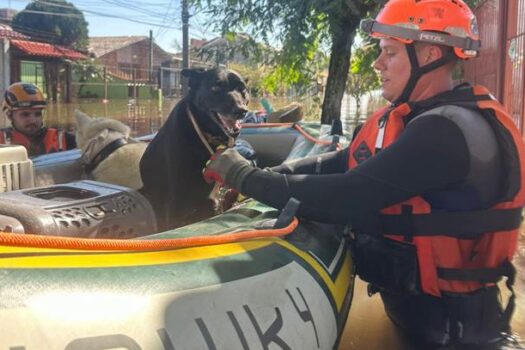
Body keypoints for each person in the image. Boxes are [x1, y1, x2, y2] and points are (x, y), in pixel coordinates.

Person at [203, 0, 525, 348]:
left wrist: (244, 177)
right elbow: (339, 163)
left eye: (389, 53)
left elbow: (349, 196)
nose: (377, 64)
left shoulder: (444, 133)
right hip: (424, 322)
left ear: (429, 55)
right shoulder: (412, 118)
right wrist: (264, 173)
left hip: (456, 337)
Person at [1, 82, 76, 157]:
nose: (33, 120)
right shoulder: (1, 140)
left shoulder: (63, 140)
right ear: (10, 116)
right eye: (25, 114)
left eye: (37, 114)